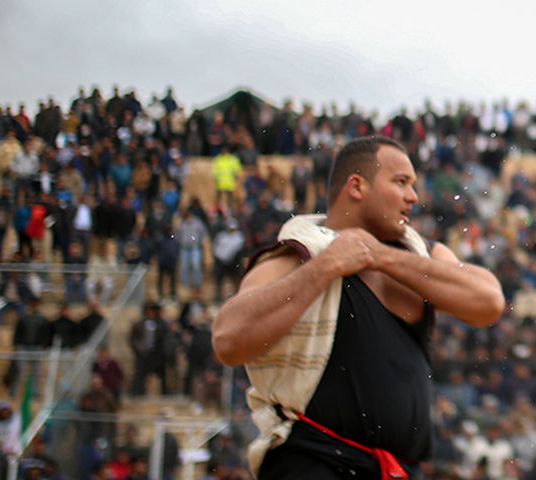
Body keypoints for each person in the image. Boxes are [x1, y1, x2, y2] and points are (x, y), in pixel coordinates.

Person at [212, 135, 505, 480]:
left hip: (399, 471)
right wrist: (324, 268)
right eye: (401, 183)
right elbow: (228, 340)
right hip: (312, 463)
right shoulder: (298, 254)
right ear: (356, 186)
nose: (413, 197)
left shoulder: (419, 253)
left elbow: (489, 302)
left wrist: (380, 257)